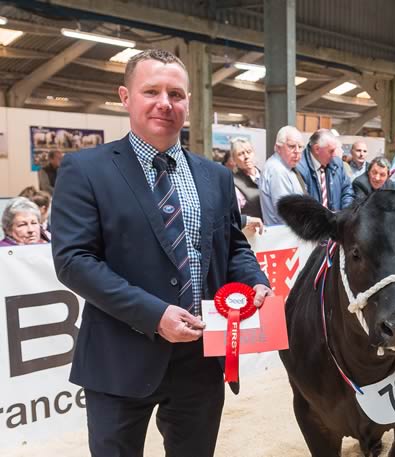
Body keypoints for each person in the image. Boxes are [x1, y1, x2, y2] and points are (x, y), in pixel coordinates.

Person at [50, 49, 272, 457]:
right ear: (125, 96)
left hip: (200, 360)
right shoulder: (85, 170)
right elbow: (74, 261)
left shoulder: (216, 177)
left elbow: (234, 245)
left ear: (189, 102)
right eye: (151, 91)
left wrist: (254, 279)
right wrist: (155, 315)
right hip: (120, 356)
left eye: (176, 94)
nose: (165, 103)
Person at [295, 128, 354, 210]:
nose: (334, 155)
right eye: (331, 151)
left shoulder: (337, 163)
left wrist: (345, 215)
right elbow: (302, 205)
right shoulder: (299, 168)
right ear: (317, 149)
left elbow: (347, 191)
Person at [259, 125, 305, 225]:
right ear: (278, 148)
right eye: (292, 146)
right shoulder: (278, 170)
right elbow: (286, 215)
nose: (297, 151)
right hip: (284, 236)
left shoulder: (287, 167)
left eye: (300, 147)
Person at [229, 138, 264, 234]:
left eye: (249, 152)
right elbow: (233, 216)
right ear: (233, 159)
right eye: (240, 154)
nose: (246, 156)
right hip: (250, 234)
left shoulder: (265, 175)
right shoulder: (233, 182)